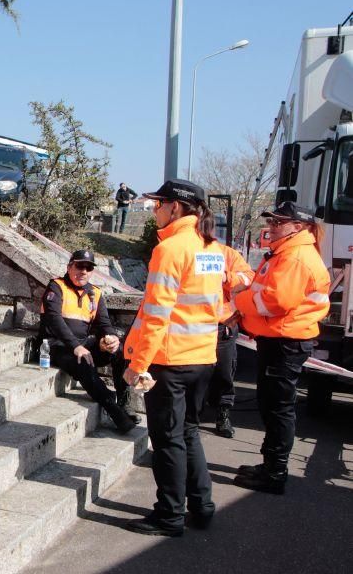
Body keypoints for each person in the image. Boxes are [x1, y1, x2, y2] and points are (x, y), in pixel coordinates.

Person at [122, 179, 224, 537]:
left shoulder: (170, 249)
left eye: (158, 204)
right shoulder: (210, 247)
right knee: (189, 434)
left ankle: (169, 516)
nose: (154, 210)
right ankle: (202, 506)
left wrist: (138, 365)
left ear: (176, 208)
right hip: (202, 358)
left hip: (171, 360)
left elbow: (156, 313)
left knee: (167, 442)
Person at [233, 201, 330, 494]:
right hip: (279, 340)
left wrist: (239, 302)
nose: (271, 226)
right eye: (271, 221)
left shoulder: (295, 257)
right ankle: (270, 465)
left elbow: (274, 302)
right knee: (272, 405)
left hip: (285, 343)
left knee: (278, 409)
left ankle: (275, 473)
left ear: (298, 227)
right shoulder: (286, 253)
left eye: (279, 222)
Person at [38, 249, 138, 433]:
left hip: (82, 343)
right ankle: (114, 411)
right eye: (79, 266)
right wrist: (75, 346)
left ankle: (125, 403)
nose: (83, 271)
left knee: (121, 351)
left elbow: (104, 322)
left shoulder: (95, 293)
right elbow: (54, 320)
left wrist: (111, 337)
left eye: (88, 268)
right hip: (56, 345)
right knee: (84, 362)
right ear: (69, 267)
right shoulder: (56, 286)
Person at [206, 242, 254, 438]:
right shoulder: (185, 250)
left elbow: (249, 278)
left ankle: (223, 413)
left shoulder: (227, 253)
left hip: (223, 325)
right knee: (195, 373)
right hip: (192, 326)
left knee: (224, 372)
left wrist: (227, 277)